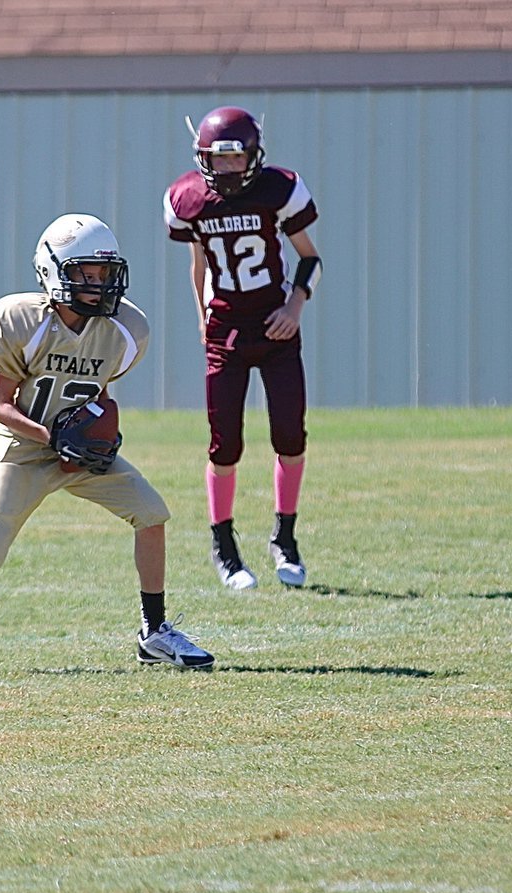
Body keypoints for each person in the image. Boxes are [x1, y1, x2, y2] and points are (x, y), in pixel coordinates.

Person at [0, 213, 215, 675]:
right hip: (26, 449)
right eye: (85, 274)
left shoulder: (126, 329)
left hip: (81, 453)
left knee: (152, 513)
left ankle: (154, 633)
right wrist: (53, 438)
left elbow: (97, 393)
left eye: (104, 274)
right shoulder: (20, 321)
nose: (98, 284)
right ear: (54, 272)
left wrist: (98, 434)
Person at [162, 106, 322, 591]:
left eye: (236, 159)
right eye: (218, 159)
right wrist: (201, 317)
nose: (228, 169)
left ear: (254, 155)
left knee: (290, 436)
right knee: (224, 443)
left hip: (275, 328)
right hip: (226, 328)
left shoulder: (279, 190)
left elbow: (309, 257)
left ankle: (285, 537)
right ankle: (224, 546)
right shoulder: (188, 199)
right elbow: (199, 267)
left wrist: (294, 308)